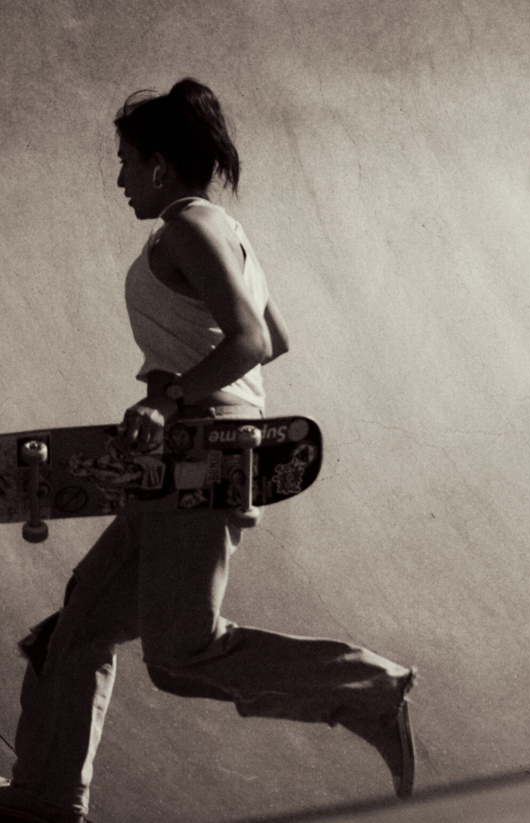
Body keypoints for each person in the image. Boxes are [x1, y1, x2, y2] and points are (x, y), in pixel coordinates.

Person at [0, 78, 416, 823]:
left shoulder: (190, 228)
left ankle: (369, 687)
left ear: (160, 164)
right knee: (80, 626)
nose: (120, 176)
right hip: (179, 460)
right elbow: (272, 338)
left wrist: (167, 397)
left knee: (181, 654)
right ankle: (42, 799)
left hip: (199, 459)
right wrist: (178, 380)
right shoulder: (221, 229)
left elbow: (252, 342)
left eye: (126, 160)